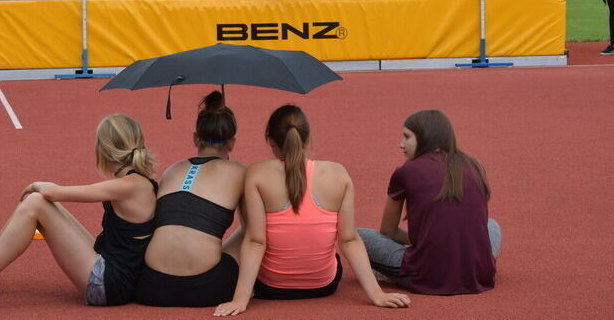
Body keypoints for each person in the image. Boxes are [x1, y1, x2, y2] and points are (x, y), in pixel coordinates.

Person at [0, 114, 158, 313]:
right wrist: (45, 190)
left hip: (109, 284)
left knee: (36, 203)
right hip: (110, 268)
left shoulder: (131, 185)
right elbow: (55, 195)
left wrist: (39, 186)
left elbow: (58, 193)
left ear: (103, 149)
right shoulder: (137, 182)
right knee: (41, 203)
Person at [214, 105, 410, 316]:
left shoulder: (257, 173)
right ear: (308, 139)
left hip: (271, 288)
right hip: (323, 286)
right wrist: (377, 294)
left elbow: (256, 241)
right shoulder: (338, 173)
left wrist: (240, 299)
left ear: (270, 141)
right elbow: (349, 240)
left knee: (243, 236)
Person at [356, 110, 501, 295]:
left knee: (358, 236)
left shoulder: (406, 171)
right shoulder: (474, 165)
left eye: (407, 137)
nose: (401, 144)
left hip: (427, 274)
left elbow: (388, 231)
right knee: (492, 225)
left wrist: (428, 238)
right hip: (478, 273)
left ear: (426, 138)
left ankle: (395, 273)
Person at [136, 91, 246, 307]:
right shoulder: (241, 172)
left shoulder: (171, 170)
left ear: (195, 138)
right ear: (232, 143)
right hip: (206, 288)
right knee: (255, 229)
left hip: (150, 285)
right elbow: (255, 237)